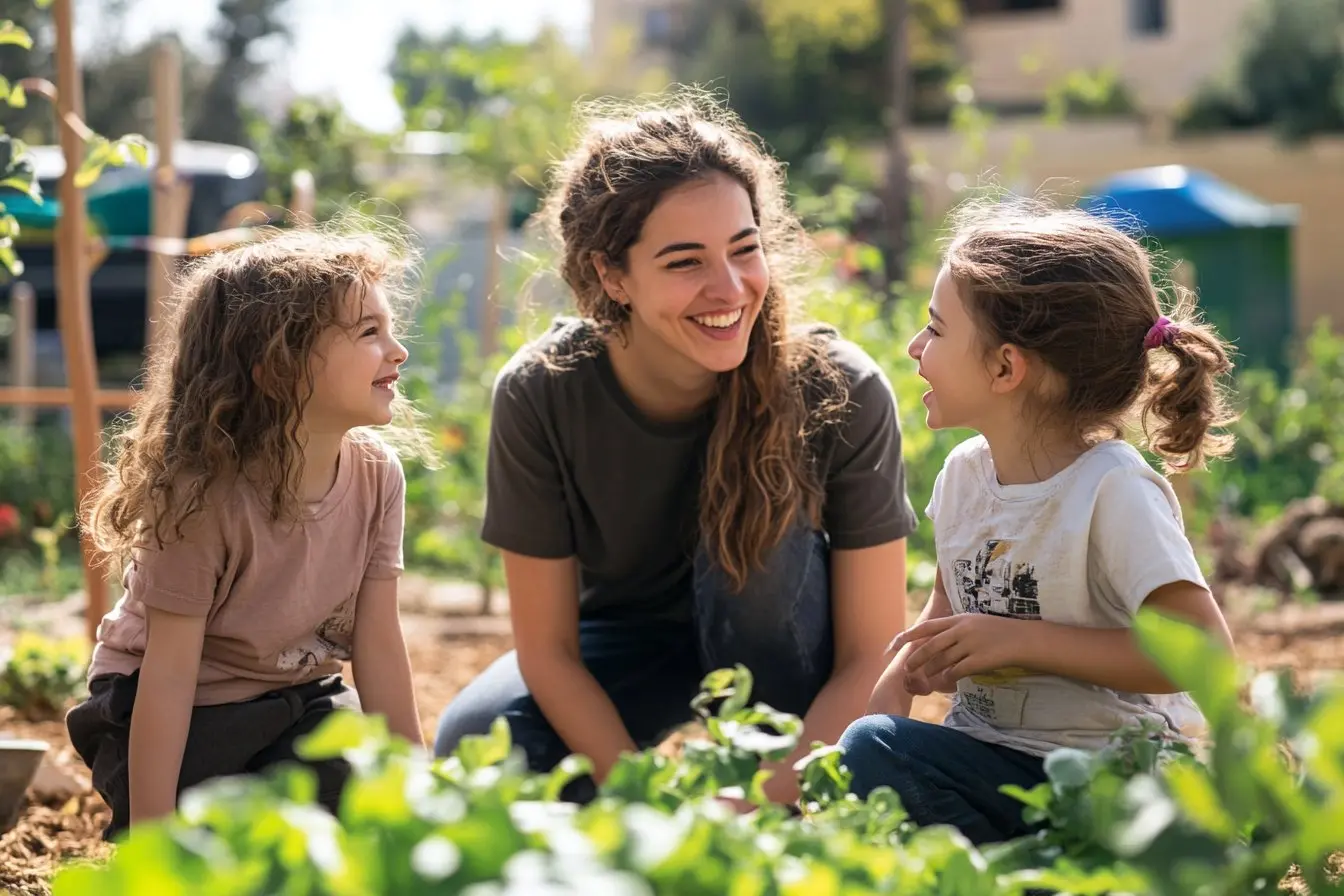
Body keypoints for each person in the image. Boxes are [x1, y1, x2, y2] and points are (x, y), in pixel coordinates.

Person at [432, 91, 920, 807]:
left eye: (744, 249)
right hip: (629, 649)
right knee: (477, 738)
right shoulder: (541, 393)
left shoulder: (840, 391)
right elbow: (549, 653)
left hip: (786, 650)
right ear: (611, 275)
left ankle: (796, 795)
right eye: (684, 261)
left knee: (753, 561)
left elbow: (870, 660)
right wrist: (645, 804)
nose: (728, 289)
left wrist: (762, 804)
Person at [837, 198, 1238, 845]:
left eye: (936, 330)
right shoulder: (964, 478)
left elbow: (1204, 657)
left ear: (1005, 367)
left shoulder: (1112, 488)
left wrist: (1017, 639)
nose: (915, 348)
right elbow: (939, 622)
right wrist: (871, 734)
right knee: (870, 752)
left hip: (1120, 785)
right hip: (996, 764)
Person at [66, 225, 427, 840]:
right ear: (278, 369)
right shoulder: (203, 494)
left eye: (390, 330)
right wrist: (157, 847)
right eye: (369, 332)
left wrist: (422, 803)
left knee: (358, 807)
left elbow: (380, 647)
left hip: (294, 697)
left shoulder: (376, 476)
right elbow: (169, 675)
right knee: (213, 840)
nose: (398, 351)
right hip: (171, 705)